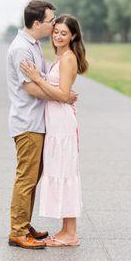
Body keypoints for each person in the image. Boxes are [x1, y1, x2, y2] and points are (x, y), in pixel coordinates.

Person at [6, 1, 78, 250]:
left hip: (39, 122)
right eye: (51, 21)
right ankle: (17, 231)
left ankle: (23, 225)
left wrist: (62, 93)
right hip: (28, 122)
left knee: (32, 177)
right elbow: (31, 87)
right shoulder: (21, 49)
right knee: (26, 178)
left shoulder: (34, 45)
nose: (54, 24)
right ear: (37, 23)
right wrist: (63, 96)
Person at [20, 14, 88, 247]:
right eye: (56, 31)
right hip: (56, 124)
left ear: (73, 36)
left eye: (64, 33)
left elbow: (62, 96)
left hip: (63, 125)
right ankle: (66, 229)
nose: (58, 36)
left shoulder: (68, 58)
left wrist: (37, 78)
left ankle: (71, 234)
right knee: (61, 171)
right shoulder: (60, 57)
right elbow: (63, 94)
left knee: (65, 173)